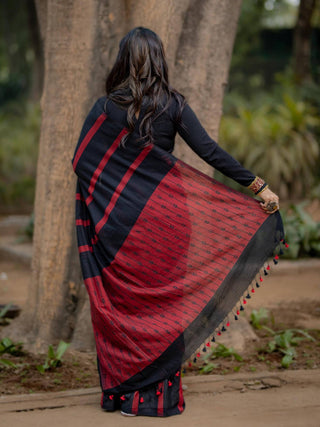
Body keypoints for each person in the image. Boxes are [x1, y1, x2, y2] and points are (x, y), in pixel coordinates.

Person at [71, 27, 284, 417]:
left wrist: (106, 205)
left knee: (127, 309)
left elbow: (82, 163)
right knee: (167, 307)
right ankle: (158, 399)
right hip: (168, 222)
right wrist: (259, 187)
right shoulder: (174, 104)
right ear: (159, 59)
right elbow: (210, 152)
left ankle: (122, 396)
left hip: (118, 229)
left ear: (123, 59)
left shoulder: (104, 109)